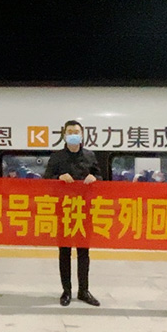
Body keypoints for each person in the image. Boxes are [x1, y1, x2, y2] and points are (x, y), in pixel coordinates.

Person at [43, 120, 101, 307]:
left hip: (84, 210)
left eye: (76, 131)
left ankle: (84, 291)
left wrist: (94, 178)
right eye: (70, 132)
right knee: (65, 252)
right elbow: (46, 181)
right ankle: (66, 291)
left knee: (83, 252)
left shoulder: (90, 156)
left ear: (82, 135)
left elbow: (101, 178)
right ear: (64, 135)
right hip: (64, 210)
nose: (73, 134)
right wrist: (58, 178)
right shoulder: (57, 157)